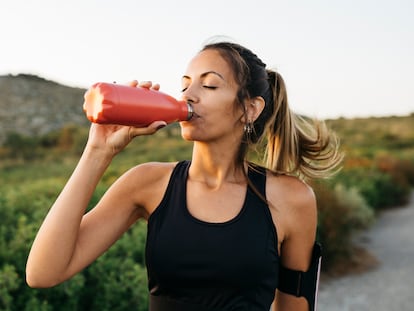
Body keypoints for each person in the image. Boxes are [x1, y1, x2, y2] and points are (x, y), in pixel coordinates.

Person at [26, 40, 342, 311]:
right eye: (185, 84)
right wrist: (97, 151)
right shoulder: (147, 183)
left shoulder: (291, 198)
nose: (188, 95)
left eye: (209, 85)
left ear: (250, 109)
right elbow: (43, 273)